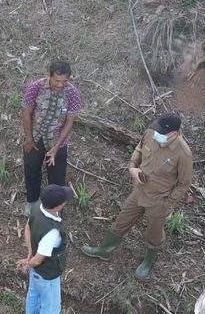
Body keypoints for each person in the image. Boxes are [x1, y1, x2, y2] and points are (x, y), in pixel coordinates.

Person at [82, 114, 193, 279]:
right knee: (122, 220)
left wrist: (167, 202)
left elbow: (184, 184)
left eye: (162, 132)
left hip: (158, 201)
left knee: (154, 234)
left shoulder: (183, 154)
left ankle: (148, 261)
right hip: (139, 191)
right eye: (158, 129)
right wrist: (133, 167)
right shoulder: (150, 133)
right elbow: (139, 150)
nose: (157, 133)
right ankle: (104, 250)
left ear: (174, 134)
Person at [20, 61, 82, 217]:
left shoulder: (72, 93)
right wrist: (29, 138)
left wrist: (56, 147)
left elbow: (69, 122)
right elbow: (26, 113)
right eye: (57, 80)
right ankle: (32, 202)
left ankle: (53, 208)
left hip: (57, 141)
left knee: (57, 177)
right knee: (32, 170)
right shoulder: (36, 87)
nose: (60, 84)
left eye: (64, 81)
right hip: (35, 137)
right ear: (49, 75)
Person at [16, 185, 71, 314]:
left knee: (33, 294)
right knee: (51, 306)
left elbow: (28, 227)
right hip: (47, 274)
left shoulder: (37, 207)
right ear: (58, 206)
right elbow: (40, 259)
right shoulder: (52, 232)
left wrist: (29, 255)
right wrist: (29, 262)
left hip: (37, 273)